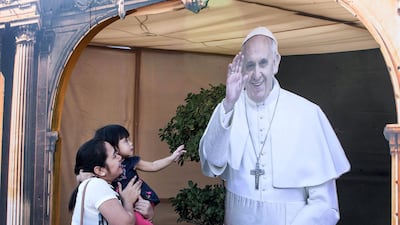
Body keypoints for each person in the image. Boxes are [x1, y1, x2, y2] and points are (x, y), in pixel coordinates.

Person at [199, 27, 351, 225]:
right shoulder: (229, 108)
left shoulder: (307, 113)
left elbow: (325, 205)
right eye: (249, 65)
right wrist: (228, 104)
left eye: (263, 63)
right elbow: (211, 164)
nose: (256, 74)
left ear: (276, 62)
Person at [94, 124, 186, 224]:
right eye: (125, 141)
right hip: (122, 204)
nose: (131, 143)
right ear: (112, 146)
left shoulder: (131, 161)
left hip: (139, 200)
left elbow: (153, 166)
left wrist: (172, 158)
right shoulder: (101, 172)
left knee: (140, 220)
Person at [69, 138, 142, 225]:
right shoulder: (96, 184)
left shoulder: (98, 185)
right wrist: (128, 202)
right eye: (114, 156)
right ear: (100, 170)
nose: (120, 157)